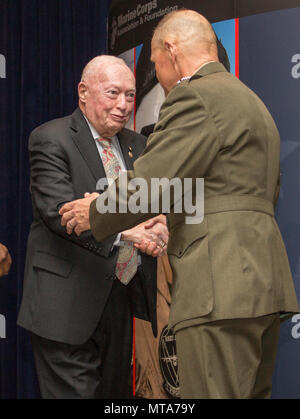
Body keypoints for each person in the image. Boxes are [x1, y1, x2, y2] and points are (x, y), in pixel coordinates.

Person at [59, 11, 299, 399]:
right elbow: (234, 191)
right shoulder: (251, 102)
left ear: (170, 51)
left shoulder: (196, 95)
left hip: (217, 287)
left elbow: (153, 181)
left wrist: (95, 211)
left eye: (154, 65)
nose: (160, 78)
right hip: (264, 284)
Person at [17, 55, 169, 399]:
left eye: (130, 96)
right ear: (83, 92)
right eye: (113, 93)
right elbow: (59, 212)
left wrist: (160, 226)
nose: (123, 105)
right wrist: (128, 232)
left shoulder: (138, 146)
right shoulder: (50, 138)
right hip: (65, 306)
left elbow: (150, 208)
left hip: (120, 301)